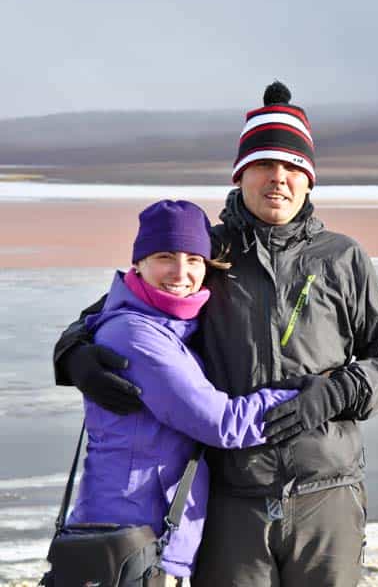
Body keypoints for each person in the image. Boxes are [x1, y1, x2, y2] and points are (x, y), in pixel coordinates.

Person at [53, 81, 378, 586]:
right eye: (265, 165)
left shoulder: (342, 258)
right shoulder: (208, 252)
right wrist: (74, 354)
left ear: (309, 181)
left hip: (327, 493)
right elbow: (118, 308)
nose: (278, 179)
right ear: (242, 173)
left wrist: (336, 393)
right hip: (231, 501)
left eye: (292, 168)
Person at [68, 199, 301, 584]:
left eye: (194, 259)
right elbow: (220, 423)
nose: (181, 272)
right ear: (138, 264)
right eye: (165, 256)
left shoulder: (173, 327)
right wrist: (309, 395)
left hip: (148, 540)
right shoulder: (136, 335)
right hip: (125, 538)